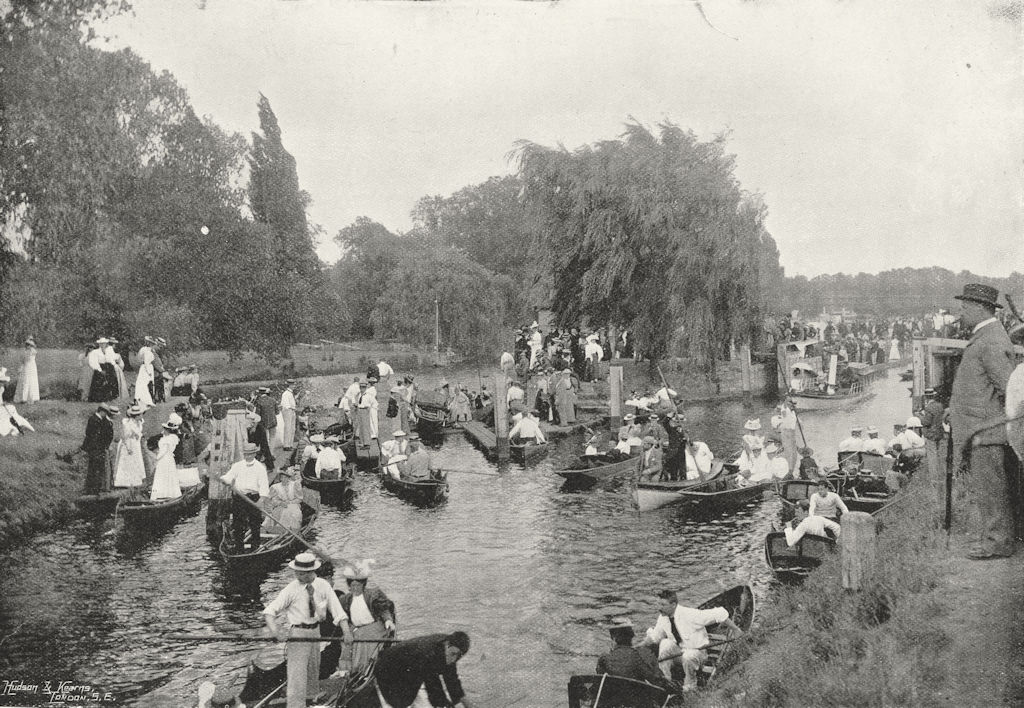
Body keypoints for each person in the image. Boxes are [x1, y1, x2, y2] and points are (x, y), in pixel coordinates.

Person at [949, 283, 1017, 559]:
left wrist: (991, 421)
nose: (960, 314)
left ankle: (997, 542)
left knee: (992, 490)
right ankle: (995, 537)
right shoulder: (987, 336)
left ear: (979, 308)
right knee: (988, 489)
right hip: (981, 429)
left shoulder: (990, 340)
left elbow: (1010, 389)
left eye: (964, 308)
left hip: (986, 432)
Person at [264, 552, 353, 708]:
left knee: (313, 669)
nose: (299, 576)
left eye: (302, 574)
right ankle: (295, 705)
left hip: (315, 632)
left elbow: (337, 610)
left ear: (312, 571)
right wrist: (275, 631)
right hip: (298, 634)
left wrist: (346, 631)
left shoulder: (323, 585)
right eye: (297, 573)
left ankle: (311, 700)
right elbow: (270, 612)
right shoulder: (290, 589)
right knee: (297, 675)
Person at [643, 589, 742, 692]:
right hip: (679, 653)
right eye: (658, 604)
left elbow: (719, 613)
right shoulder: (663, 618)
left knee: (688, 656)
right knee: (665, 643)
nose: (659, 608)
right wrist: (639, 646)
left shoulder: (690, 614)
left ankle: (690, 686)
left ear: (673, 605)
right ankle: (665, 680)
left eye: (663, 605)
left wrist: (735, 629)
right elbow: (655, 636)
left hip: (698, 654)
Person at [373, 631, 476, 708]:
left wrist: (465, 702)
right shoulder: (427, 654)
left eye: (458, 656)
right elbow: (435, 691)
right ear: (447, 645)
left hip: (410, 665)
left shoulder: (448, 648)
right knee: (402, 702)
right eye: (453, 654)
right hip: (387, 669)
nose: (453, 659)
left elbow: (452, 680)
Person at [335, 559, 396, 670]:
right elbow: (342, 616)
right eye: (352, 586)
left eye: (358, 586)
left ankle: (362, 668)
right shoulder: (345, 599)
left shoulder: (372, 595)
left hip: (374, 626)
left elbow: (383, 609)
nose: (355, 588)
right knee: (346, 640)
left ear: (363, 585)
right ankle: (346, 670)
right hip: (355, 628)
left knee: (361, 636)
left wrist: (388, 620)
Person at [220, 442, 270, 551]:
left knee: (255, 523)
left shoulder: (260, 468)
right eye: (246, 454)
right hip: (239, 498)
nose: (248, 456)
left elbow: (264, 487)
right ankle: (239, 548)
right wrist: (224, 480)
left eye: (250, 454)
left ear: (254, 454)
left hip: (253, 498)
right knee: (238, 524)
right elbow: (229, 477)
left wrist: (260, 501)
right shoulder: (237, 466)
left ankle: (255, 547)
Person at [594, 618, 668, 691]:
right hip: (632, 697)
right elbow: (653, 680)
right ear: (632, 636)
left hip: (613, 696)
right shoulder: (636, 656)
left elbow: (600, 680)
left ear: (613, 638)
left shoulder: (604, 659)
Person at [917, 387, 947, 518]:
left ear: (927, 397)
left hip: (930, 435)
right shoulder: (940, 406)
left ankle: (934, 477)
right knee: (939, 454)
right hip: (939, 433)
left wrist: (919, 416)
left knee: (932, 457)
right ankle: (939, 473)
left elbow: (926, 422)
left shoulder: (929, 408)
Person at [81, 403, 117, 495]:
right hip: (94, 448)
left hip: (98, 448)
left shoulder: (100, 419)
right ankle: (92, 489)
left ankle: (95, 488)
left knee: (97, 468)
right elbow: (92, 435)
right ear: (102, 411)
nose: (106, 415)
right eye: (105, 413)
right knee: (94, 468)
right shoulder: (94, 419)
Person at [112, 404, 146, 492]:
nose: (142, 416)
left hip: (135, 444)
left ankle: (135, 480)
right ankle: (124, 482)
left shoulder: (138, 422)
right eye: (140, 414)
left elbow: (139, 430)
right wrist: (128, 447)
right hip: (129, 443)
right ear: (137, 415)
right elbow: (124, 437)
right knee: (128, 461)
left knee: (136, 461)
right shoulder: (128, 424)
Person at [264, 465, 304, 533]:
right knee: (276, 513)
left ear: (289, 478)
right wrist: (280, 503)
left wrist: (289, 503)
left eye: (286, 477)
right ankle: (279, 530)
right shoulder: (275, 487)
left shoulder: (295, 485)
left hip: (294, 505)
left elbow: (299, 499)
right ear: (280, 478)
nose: (284, 479)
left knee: (292, 511)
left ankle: (291, 530)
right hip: (280, 506)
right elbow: (273, 499)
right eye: (282, 477)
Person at [150, 420, 182, 501]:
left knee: (162, 475)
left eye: (165, 429)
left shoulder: (166, 440)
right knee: (169, 475)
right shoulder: (174, 438)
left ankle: (161, 494)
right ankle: (171, 493)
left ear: (168, 430)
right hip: (170, 459)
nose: (163, 431)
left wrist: (156, 458)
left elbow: (163, 451)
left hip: (164, 459)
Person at [16, 337, 39, 404]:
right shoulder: (24, 352)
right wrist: (20, 367)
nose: (27, 346)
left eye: (28, 345)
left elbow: (34, 352)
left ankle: (31, 398)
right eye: (26, 344)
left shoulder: (33, 351)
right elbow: (22, 360)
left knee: (31, 381)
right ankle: (23, 398)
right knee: (25, 381)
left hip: (32, 368)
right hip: (26, 367)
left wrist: (31, 342)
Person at [280, 379, 298, 451]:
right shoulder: (285, 394)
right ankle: (286, 445)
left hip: (292, 411)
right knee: (288, 428)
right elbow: (285, 405)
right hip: (288, 411)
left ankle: (290, 444)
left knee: (292, 428)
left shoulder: (290, 393)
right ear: (289, 385)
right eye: (293, 385)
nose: (294, 386)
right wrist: (291, 408)